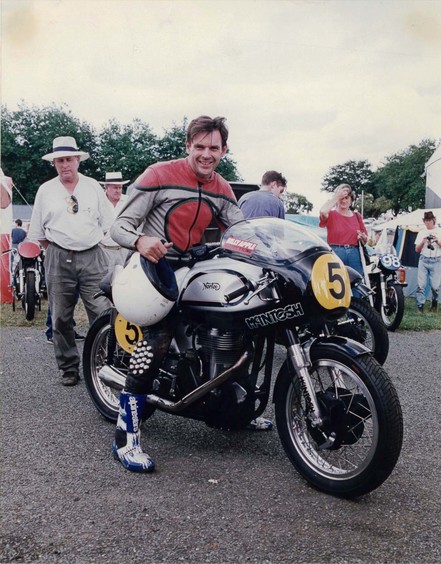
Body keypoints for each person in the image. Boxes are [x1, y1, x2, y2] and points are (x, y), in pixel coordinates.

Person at [109, 115, 271, 473]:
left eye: (214, 147)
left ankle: (234, 408)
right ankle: (126, 438)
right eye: (199, 146)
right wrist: (141, 240)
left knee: (241, 320)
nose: (206, 154)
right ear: (188, 146)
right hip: (153, 268)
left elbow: (242, 229)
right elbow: (118, 225)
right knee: (158, 338)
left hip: (195, 268)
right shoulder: (158, 175)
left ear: (224, 150)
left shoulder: (224, 188)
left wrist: (266, 250)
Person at [28, 136, 114, 386]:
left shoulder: (93, 188)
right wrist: (60, 249)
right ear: (54, 163)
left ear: (78, 160)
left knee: (102, 313)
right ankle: (69, 368)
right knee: (60, 318)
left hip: (92, 257)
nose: (65, 165)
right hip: (57, 256)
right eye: (59, 160)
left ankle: (105, 365)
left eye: (69, 159)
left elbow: (108, 225)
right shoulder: (45, 190)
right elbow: (38, 234)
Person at [319, 183, 368, 276]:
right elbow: (323, 211)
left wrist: (363, 238)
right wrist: (337, 196)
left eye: (347, 198)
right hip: (336, 252)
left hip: (355, 253)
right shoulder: (330, 214)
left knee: (357, 284)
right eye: (341, 198)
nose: (344, 201)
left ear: (351, 200)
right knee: (337, 286)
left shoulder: (357, 216)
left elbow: (365, 241)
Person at [414, 211, 441, 313]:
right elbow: (417, 250)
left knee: (435, 286)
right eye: (426, 221)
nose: (428, 223)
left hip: (436, 261)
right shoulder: (421, 232)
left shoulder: (440, 231)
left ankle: (434, 303)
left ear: (433, 220)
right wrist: (423, 242)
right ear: (424, 221)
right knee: (421, 284)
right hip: (423, 260)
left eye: (429, 220)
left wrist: (437, 241)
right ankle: (420, 306)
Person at [99, 171, 130, 272]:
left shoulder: (128, 201)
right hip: (104, 250)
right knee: (102, 281)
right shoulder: (98, 201)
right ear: (106, 187)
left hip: (124, 250)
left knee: (123, 280)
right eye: (114, 187)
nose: (118, 190)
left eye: (120, 187)